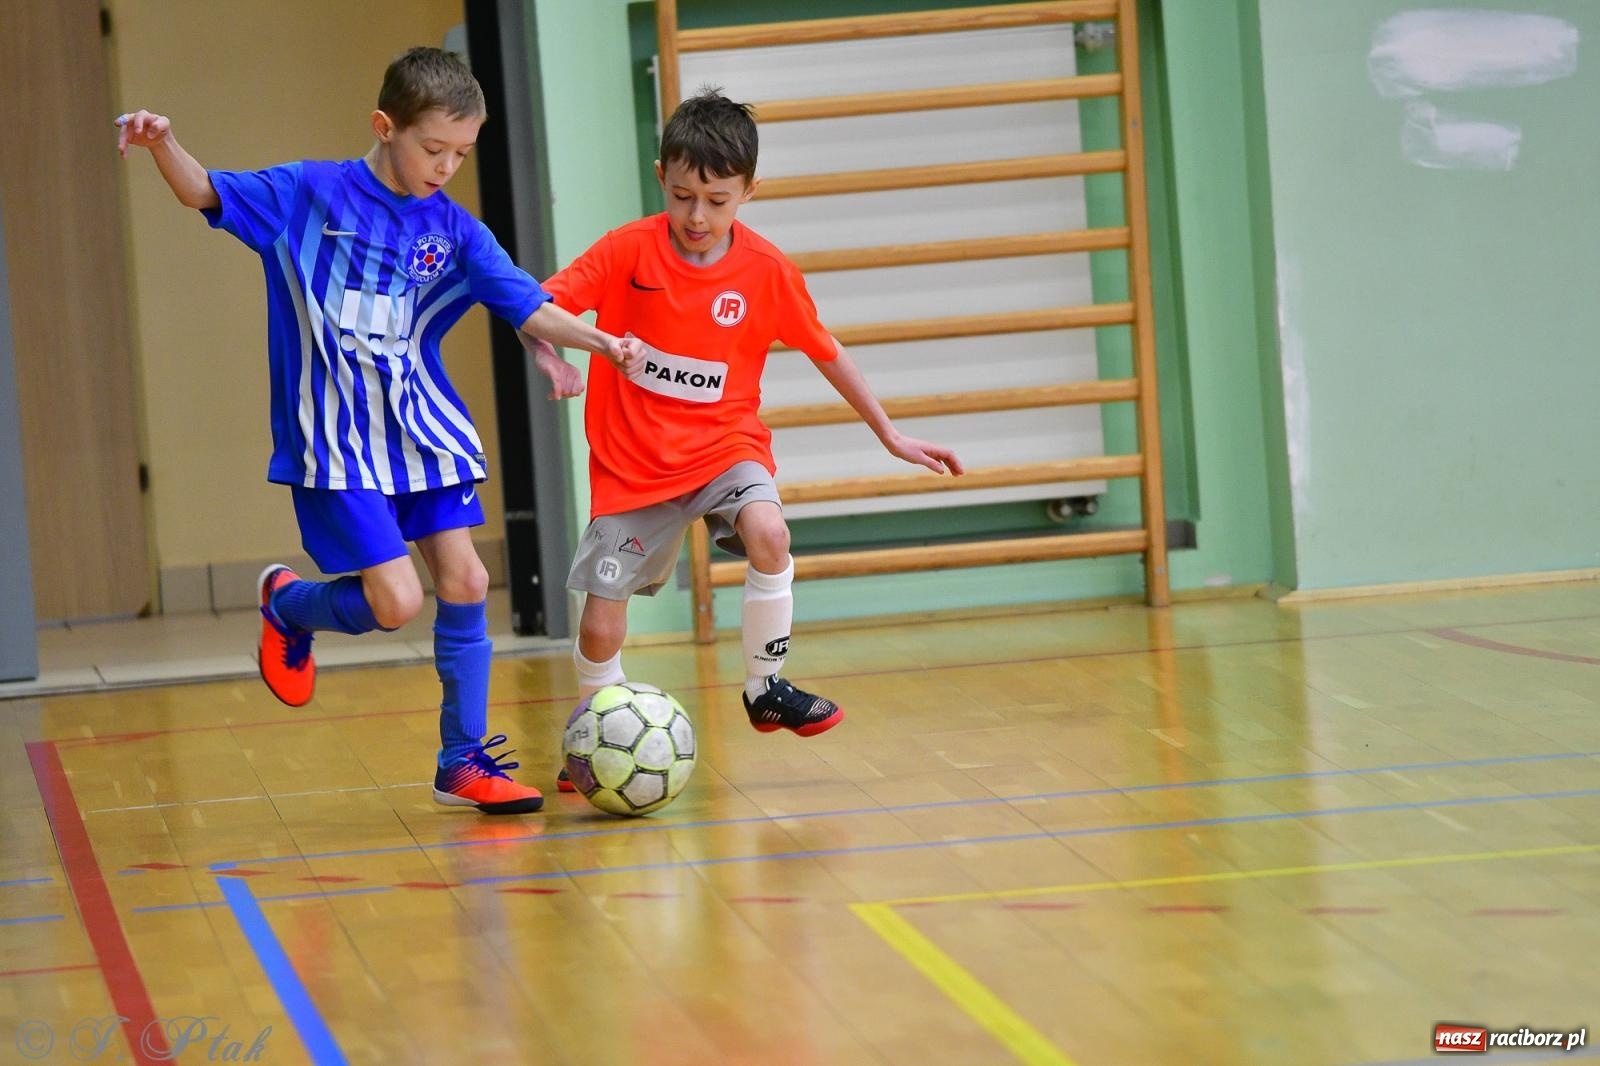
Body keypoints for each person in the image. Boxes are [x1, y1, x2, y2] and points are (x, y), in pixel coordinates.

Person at [116, 46, 644, 815]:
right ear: (384, 126)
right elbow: (203, 192)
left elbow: (527, 303)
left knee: (465, 579)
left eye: (461, 154)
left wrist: (599, 345)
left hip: (422, 433)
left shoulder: (454, 229)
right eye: (434, 149)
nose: (446, 167)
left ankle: (461, 760)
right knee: (395, 601)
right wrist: (163, 141)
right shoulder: (306, 194)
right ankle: (289, 605)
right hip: (334, 442)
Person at [536, 88, 965, 791]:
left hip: (724, 446)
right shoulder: (626, 251)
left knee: (768, 530)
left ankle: (765, 686)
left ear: (748, 192)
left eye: (716, 200)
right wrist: (552, 354)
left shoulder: (765, 271)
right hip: (633, 465)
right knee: (603, 625)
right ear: (660, 179)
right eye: (681, 197)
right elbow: (540, 306)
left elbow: (825, 349)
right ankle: (592, 740)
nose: (696, 216)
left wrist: (888, 432)